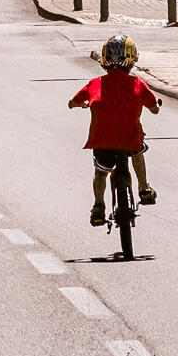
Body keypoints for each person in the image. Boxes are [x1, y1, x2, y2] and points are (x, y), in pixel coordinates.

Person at [70, 34, 159, 224]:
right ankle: (143, 188)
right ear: (132, 58)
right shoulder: (138, 84)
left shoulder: (95, 84)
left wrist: (78, 104)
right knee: (138, 151)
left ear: (105, 59)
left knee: (100, 172)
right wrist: (155, 107)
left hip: (102, 141)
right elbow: (154, 108)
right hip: (130, 140)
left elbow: (73, 101)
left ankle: (98, 206)